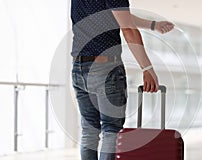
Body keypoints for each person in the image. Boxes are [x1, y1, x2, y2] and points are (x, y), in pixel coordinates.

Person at [70, 0, 174, 159]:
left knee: (89, 131)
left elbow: (118, 16)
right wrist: (147, 68)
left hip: (79, 68)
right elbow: (128, 28)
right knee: (111, 130)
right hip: (105, 68)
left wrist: (153, 25)